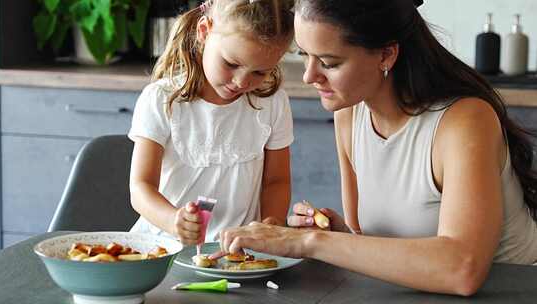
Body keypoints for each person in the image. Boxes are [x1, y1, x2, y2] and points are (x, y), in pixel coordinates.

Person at [215, 0, 537, 296]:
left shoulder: (464, 120)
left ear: (386, 55)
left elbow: (462, 269)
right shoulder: (349, 113)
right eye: (304, 55)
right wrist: (336, 235)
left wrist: (310, 241)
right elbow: (369, 243)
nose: (311, 75)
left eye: (328, 62)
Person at [128, 0, 295, 246]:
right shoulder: (162, 99)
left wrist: (271, 224)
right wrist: (174, 221)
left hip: (236, 254)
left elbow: (276, 182)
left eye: (260, 72)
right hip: (162, 248)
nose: (241, 81)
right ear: (204, 31)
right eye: (231, 64)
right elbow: (140, 188)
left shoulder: (272, 103)